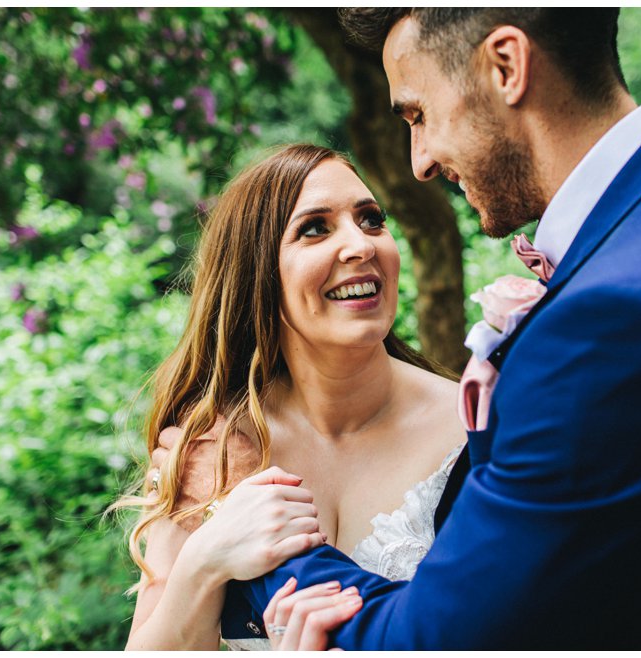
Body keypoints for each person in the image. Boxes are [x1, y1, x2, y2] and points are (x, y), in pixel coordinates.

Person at [223, 8, 641, 649]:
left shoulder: (627, 316)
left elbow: (438, 643)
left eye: (418, 115)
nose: (420, 161)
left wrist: (268, 542)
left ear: (506, 66)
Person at [117, 144, 466, 650]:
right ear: (257, 274)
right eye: (315, 228)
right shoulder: (207, 451)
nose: (361, 245)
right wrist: (203, 560)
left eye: (371, 220)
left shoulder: (472, 428)